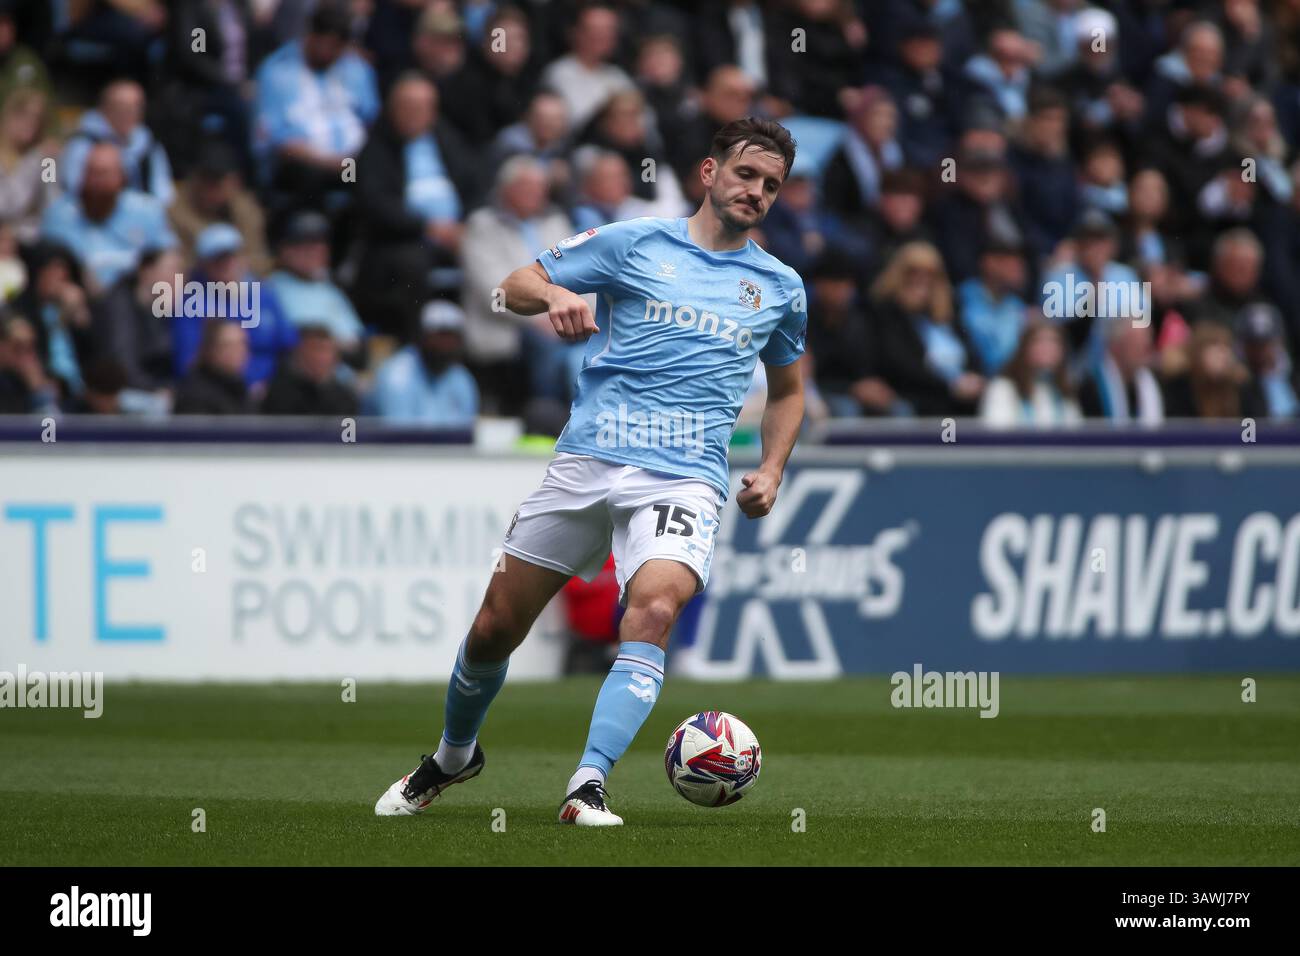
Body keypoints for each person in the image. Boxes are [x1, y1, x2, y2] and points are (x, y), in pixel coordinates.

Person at [374, 117, 807, 826]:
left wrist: (773, 466)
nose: (756, 191)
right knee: (493, 629)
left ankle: (587, 784)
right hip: (589, 457)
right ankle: (455, 756)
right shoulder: (633, 243)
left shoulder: (780, 286)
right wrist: (555, 296)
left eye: (771, 185)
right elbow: (515, 283)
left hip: (685, 474)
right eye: (745, 174)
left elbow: (788, 391)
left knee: (654, 609)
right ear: (708, 172)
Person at [365, 299, 479, 427]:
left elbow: (465, 434)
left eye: (452, 337)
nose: (446, 344)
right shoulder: (396, 376)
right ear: (422, 336)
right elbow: (400, 439)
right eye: (440, 336)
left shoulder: (461, 378)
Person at [979, 321, 1082, 428]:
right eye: (1039, 341)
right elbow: (996, 437)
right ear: (1024, 348)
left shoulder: (1066, 392)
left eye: (1054, 342)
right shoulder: (1002, 388)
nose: (1047, 348)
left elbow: (1077, 435)